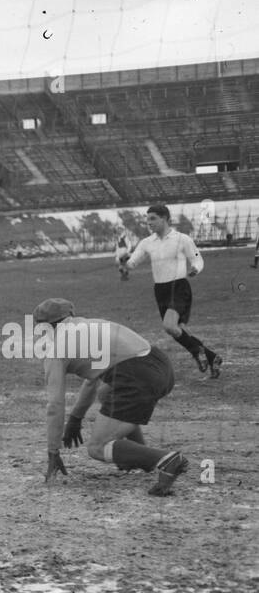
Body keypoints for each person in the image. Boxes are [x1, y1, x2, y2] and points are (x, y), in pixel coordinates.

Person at [33, 297, 188, 497]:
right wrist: (76, 418)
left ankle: (168, 460)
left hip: (138, 377)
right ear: (69, 315)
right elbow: (93, 381)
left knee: (97, 447)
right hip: (161, 366)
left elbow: (54, 405)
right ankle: (138, 453)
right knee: (105, 392)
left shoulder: (55, 347)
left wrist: (53, 452)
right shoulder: (91, 324)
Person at [119, 204, 221, 378]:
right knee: (175, 330)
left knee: (169, 325)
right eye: (147, 219)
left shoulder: (182, 239)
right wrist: (124, 263)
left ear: (165, 218)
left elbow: (197, 258)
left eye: (153, 218)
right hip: (160, 290)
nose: (148, 222)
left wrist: (195, 269)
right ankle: (212, 357)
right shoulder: (147, 243)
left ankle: (197, 352)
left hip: (179, 287)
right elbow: (132, 262)